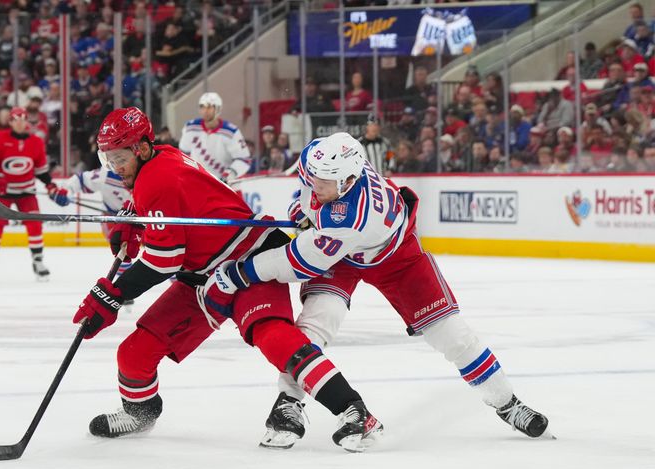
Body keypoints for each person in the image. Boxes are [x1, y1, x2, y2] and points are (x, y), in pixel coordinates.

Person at [202, 132, 550, 449]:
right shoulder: (326, 159)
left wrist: (239, 273)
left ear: (349, 181)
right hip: (343, 253)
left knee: (454, 337)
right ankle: (288, 404)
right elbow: (309, 189)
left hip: (396, 257)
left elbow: (297, 263)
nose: (314, 183)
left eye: (323, 181)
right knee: (316, 321)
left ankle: (508, 403)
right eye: (313, 176)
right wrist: (304, 207)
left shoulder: (354, 216)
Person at [75, 107, 383, 452]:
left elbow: (164, 261)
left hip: (250, 258)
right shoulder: (159, 159)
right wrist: (138, 222)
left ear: (142, 148)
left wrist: (112, 295)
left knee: (274, 337)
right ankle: (140, 411)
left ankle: (354, 410)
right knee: (133, 353)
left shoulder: (155, 177)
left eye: (119, 158)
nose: (115, 168)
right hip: (204, 277)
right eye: (108, 159)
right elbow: (173, 214)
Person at [0, 107, 58, 280]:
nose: (20, 123)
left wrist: (50, 184)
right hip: (2, 193)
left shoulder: (36, 142)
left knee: (35, 224)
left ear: (27, 122)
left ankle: (38, 261)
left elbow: (41, 170)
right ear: (11, 122)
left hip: (26, 192)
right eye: (16, 120)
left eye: (23, 119)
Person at [47, 166, 141, 277]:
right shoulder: (106, 175)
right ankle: (126, 281)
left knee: (161, 251)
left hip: (146, 215)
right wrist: (65, 192)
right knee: (121, 253)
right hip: (114, 218)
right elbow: (81, 180)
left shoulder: (148, 171)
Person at [178, 92, 251, 183]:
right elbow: (182, 154)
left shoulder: (231, 132)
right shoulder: (190, 128)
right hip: (197, 182)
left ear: (218, 109)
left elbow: (244, 160)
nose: (205, 111)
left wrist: (229, 174)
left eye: (209, 107)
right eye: (202, 107)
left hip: (223, 185)